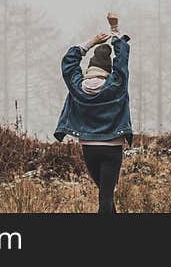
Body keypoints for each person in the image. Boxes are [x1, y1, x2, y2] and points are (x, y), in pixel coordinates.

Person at [54, 12, 132, 213]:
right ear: (108, 69)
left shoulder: (78, 87)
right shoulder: (115, 84)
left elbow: (69, 63)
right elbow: (122, 59)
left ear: (90, 68)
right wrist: (115, 30)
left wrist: (90, 43)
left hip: (89, 146)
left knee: (105, 197)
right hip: (112, 146)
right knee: (105, 199)